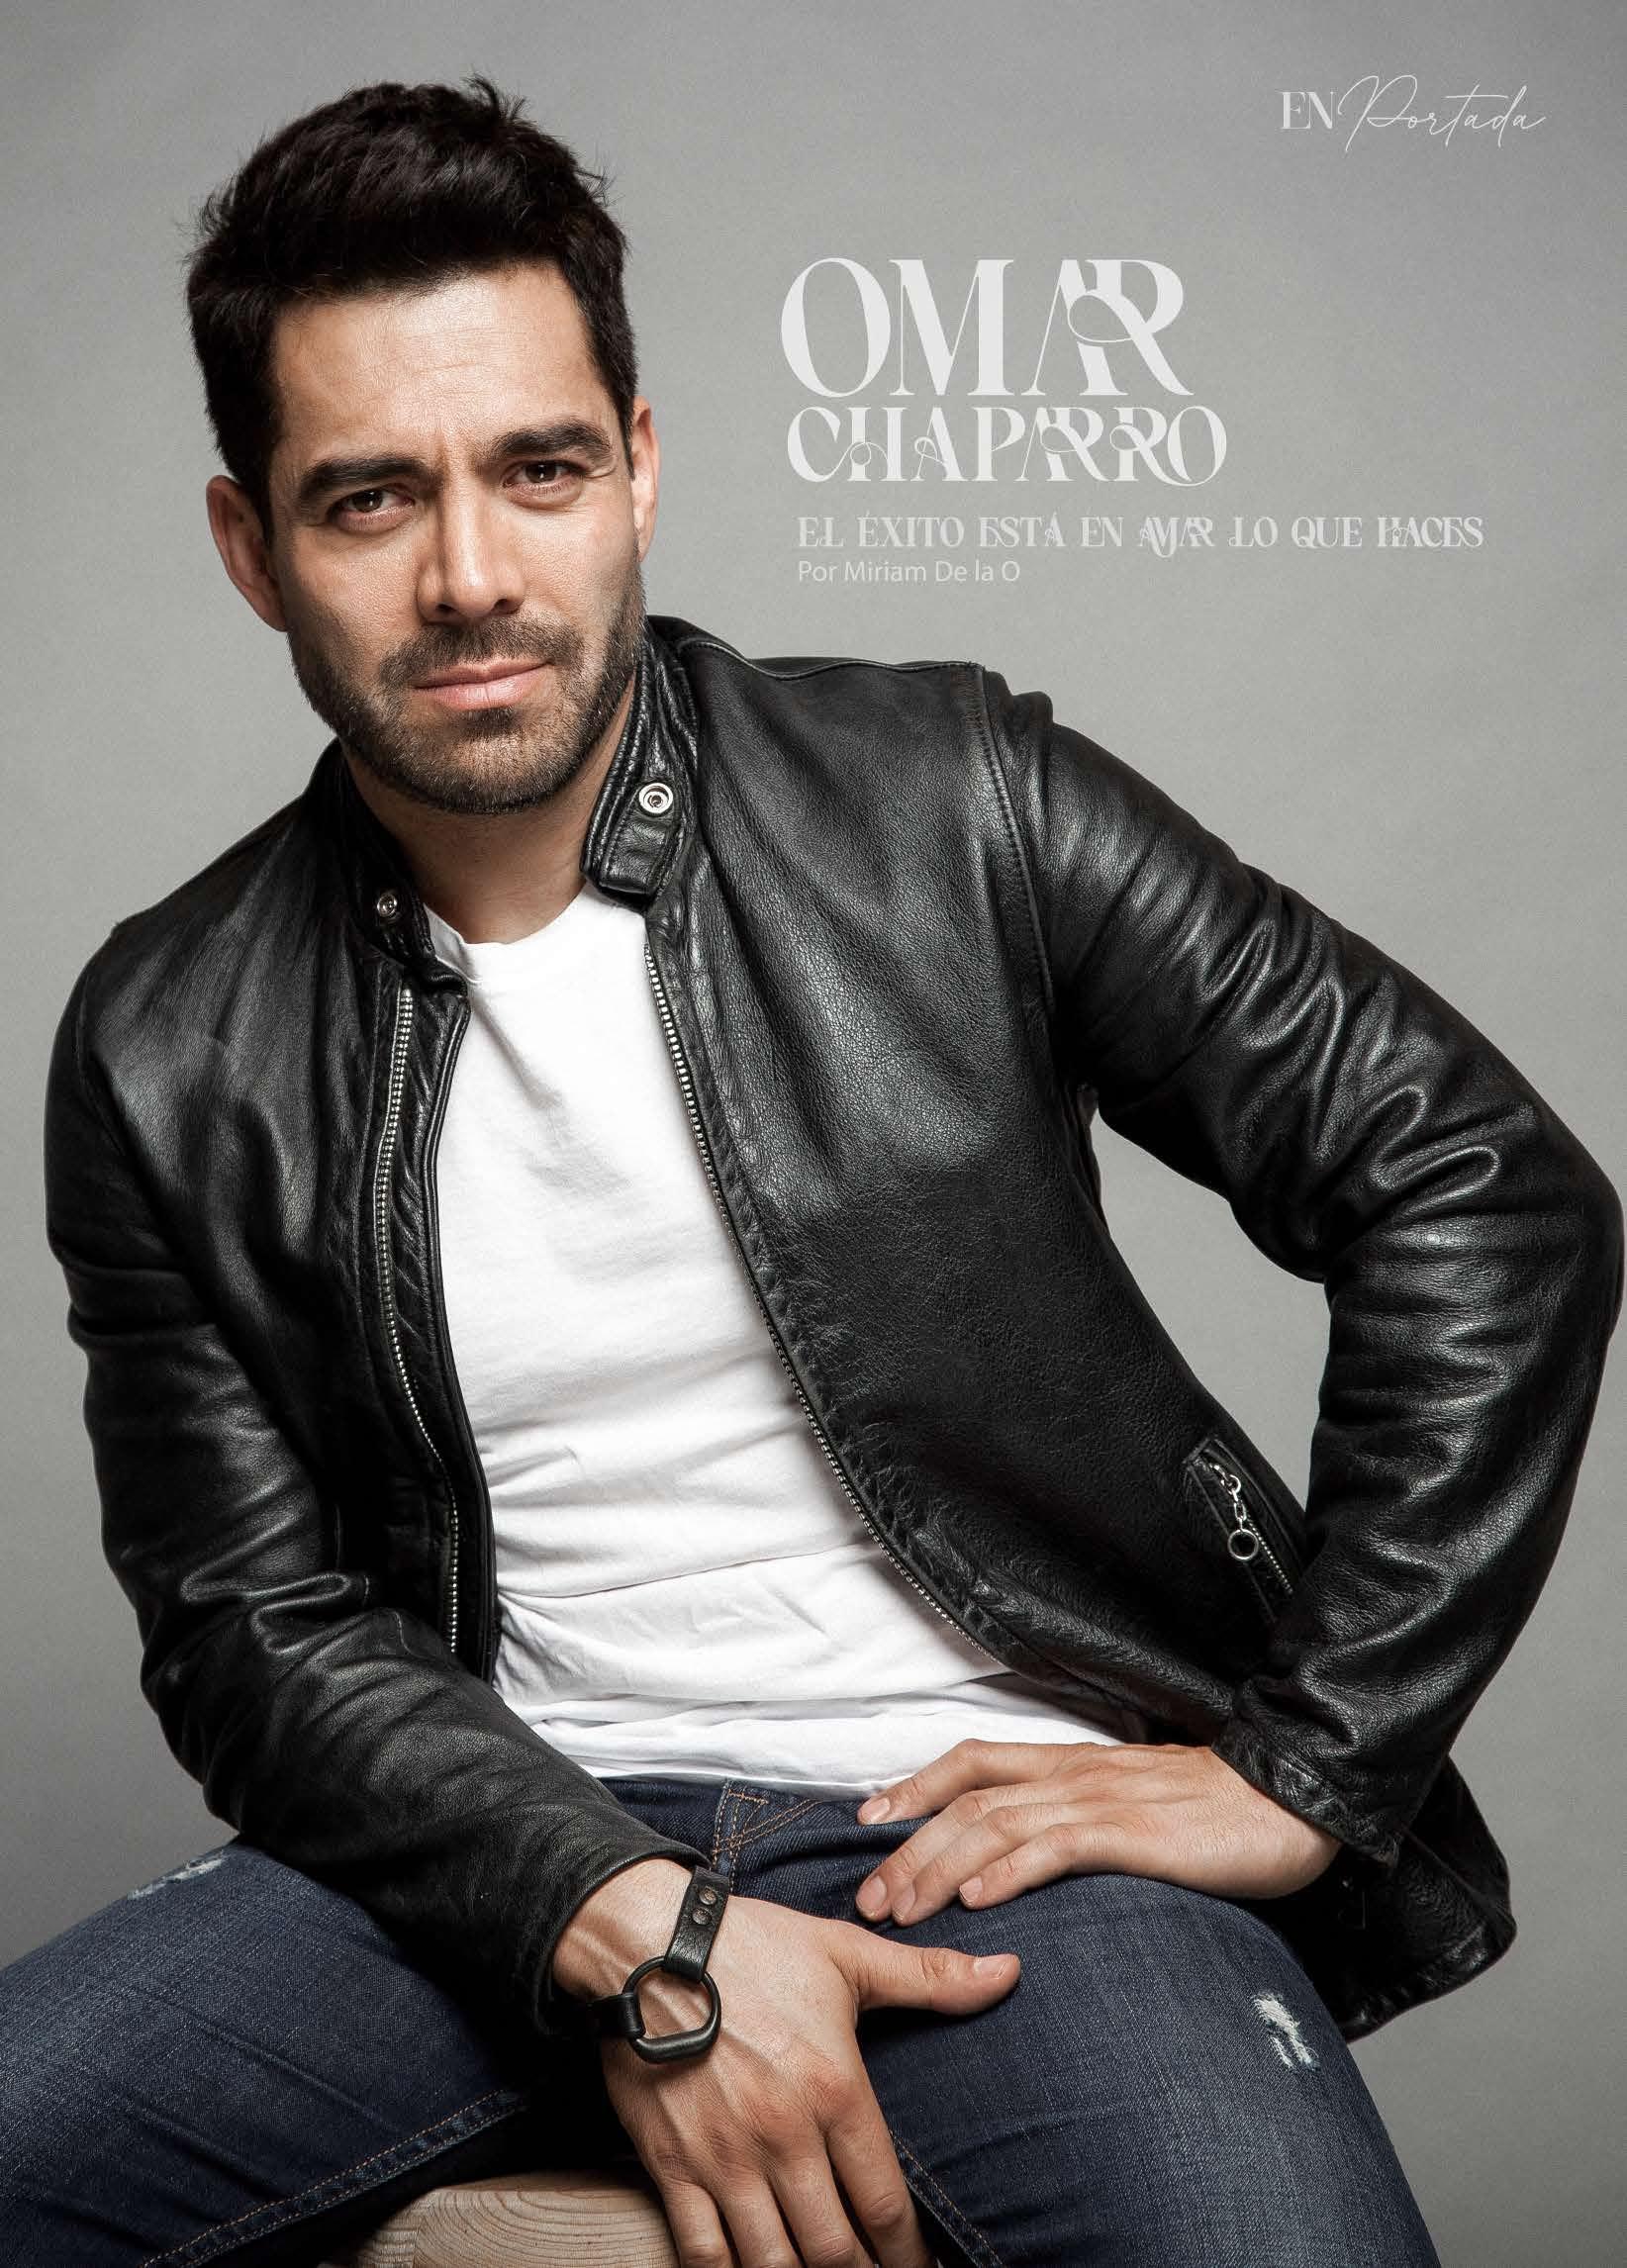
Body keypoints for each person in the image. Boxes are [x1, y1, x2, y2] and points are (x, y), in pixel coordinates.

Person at [5, 72, 1619, 2268]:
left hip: (991, 1834)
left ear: (639, 468)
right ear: (249, 545)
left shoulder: (955, 799)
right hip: (485, 1858)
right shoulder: (165, 1036)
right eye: (370, 499)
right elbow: (250, 1629)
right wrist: (638, 1927)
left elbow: (1479, 1182)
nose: (472, 576)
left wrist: (1303, 1769)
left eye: (540, 470)